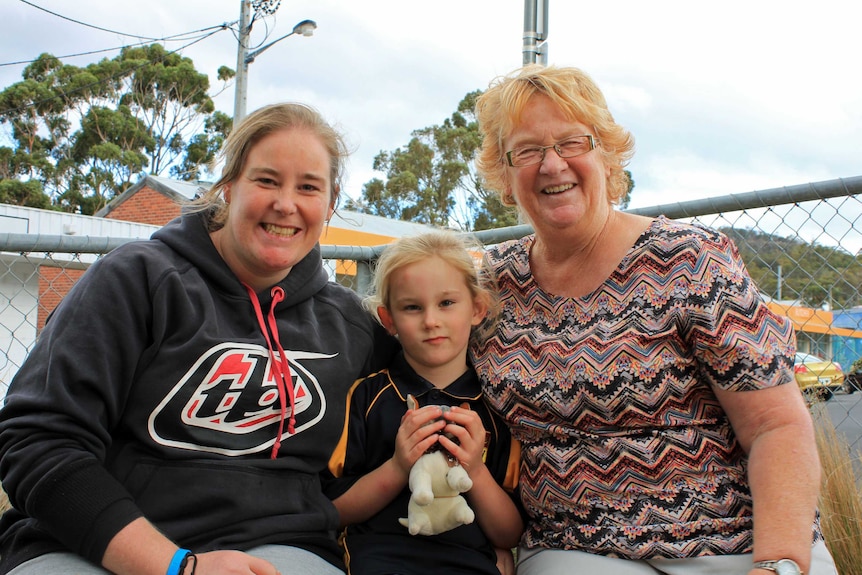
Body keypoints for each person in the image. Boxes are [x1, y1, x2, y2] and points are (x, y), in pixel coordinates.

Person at [469, 64, 838, 575]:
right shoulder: (492, 285)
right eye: (527, 151)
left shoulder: (689, 261)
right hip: (576, 551)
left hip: (735, 544)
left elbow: (776, 426)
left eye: (573, 142)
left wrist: (778, 563)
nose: (552, 165)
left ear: (607, 154)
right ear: (505, 174)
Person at [0, 102, 395, 575]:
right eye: (266, 180)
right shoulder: (137, 280)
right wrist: (177, 567)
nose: (286, 204)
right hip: (97, 545)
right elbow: (37, 443)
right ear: (228, 187)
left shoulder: (348, 323)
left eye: (308, 187)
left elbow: (430, 389)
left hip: (279, 546)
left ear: (329, 205)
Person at [324, 231, 524, 575]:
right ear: (389, 321)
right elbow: (335, 510)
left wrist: (474, 468)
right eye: (412, 307)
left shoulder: (498, 404)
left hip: (470, 562)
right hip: (379, 559)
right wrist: (399, 466)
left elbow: (509, 533)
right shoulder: (364, 396)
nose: (431, 320)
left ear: (477, 308)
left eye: (446, 303)